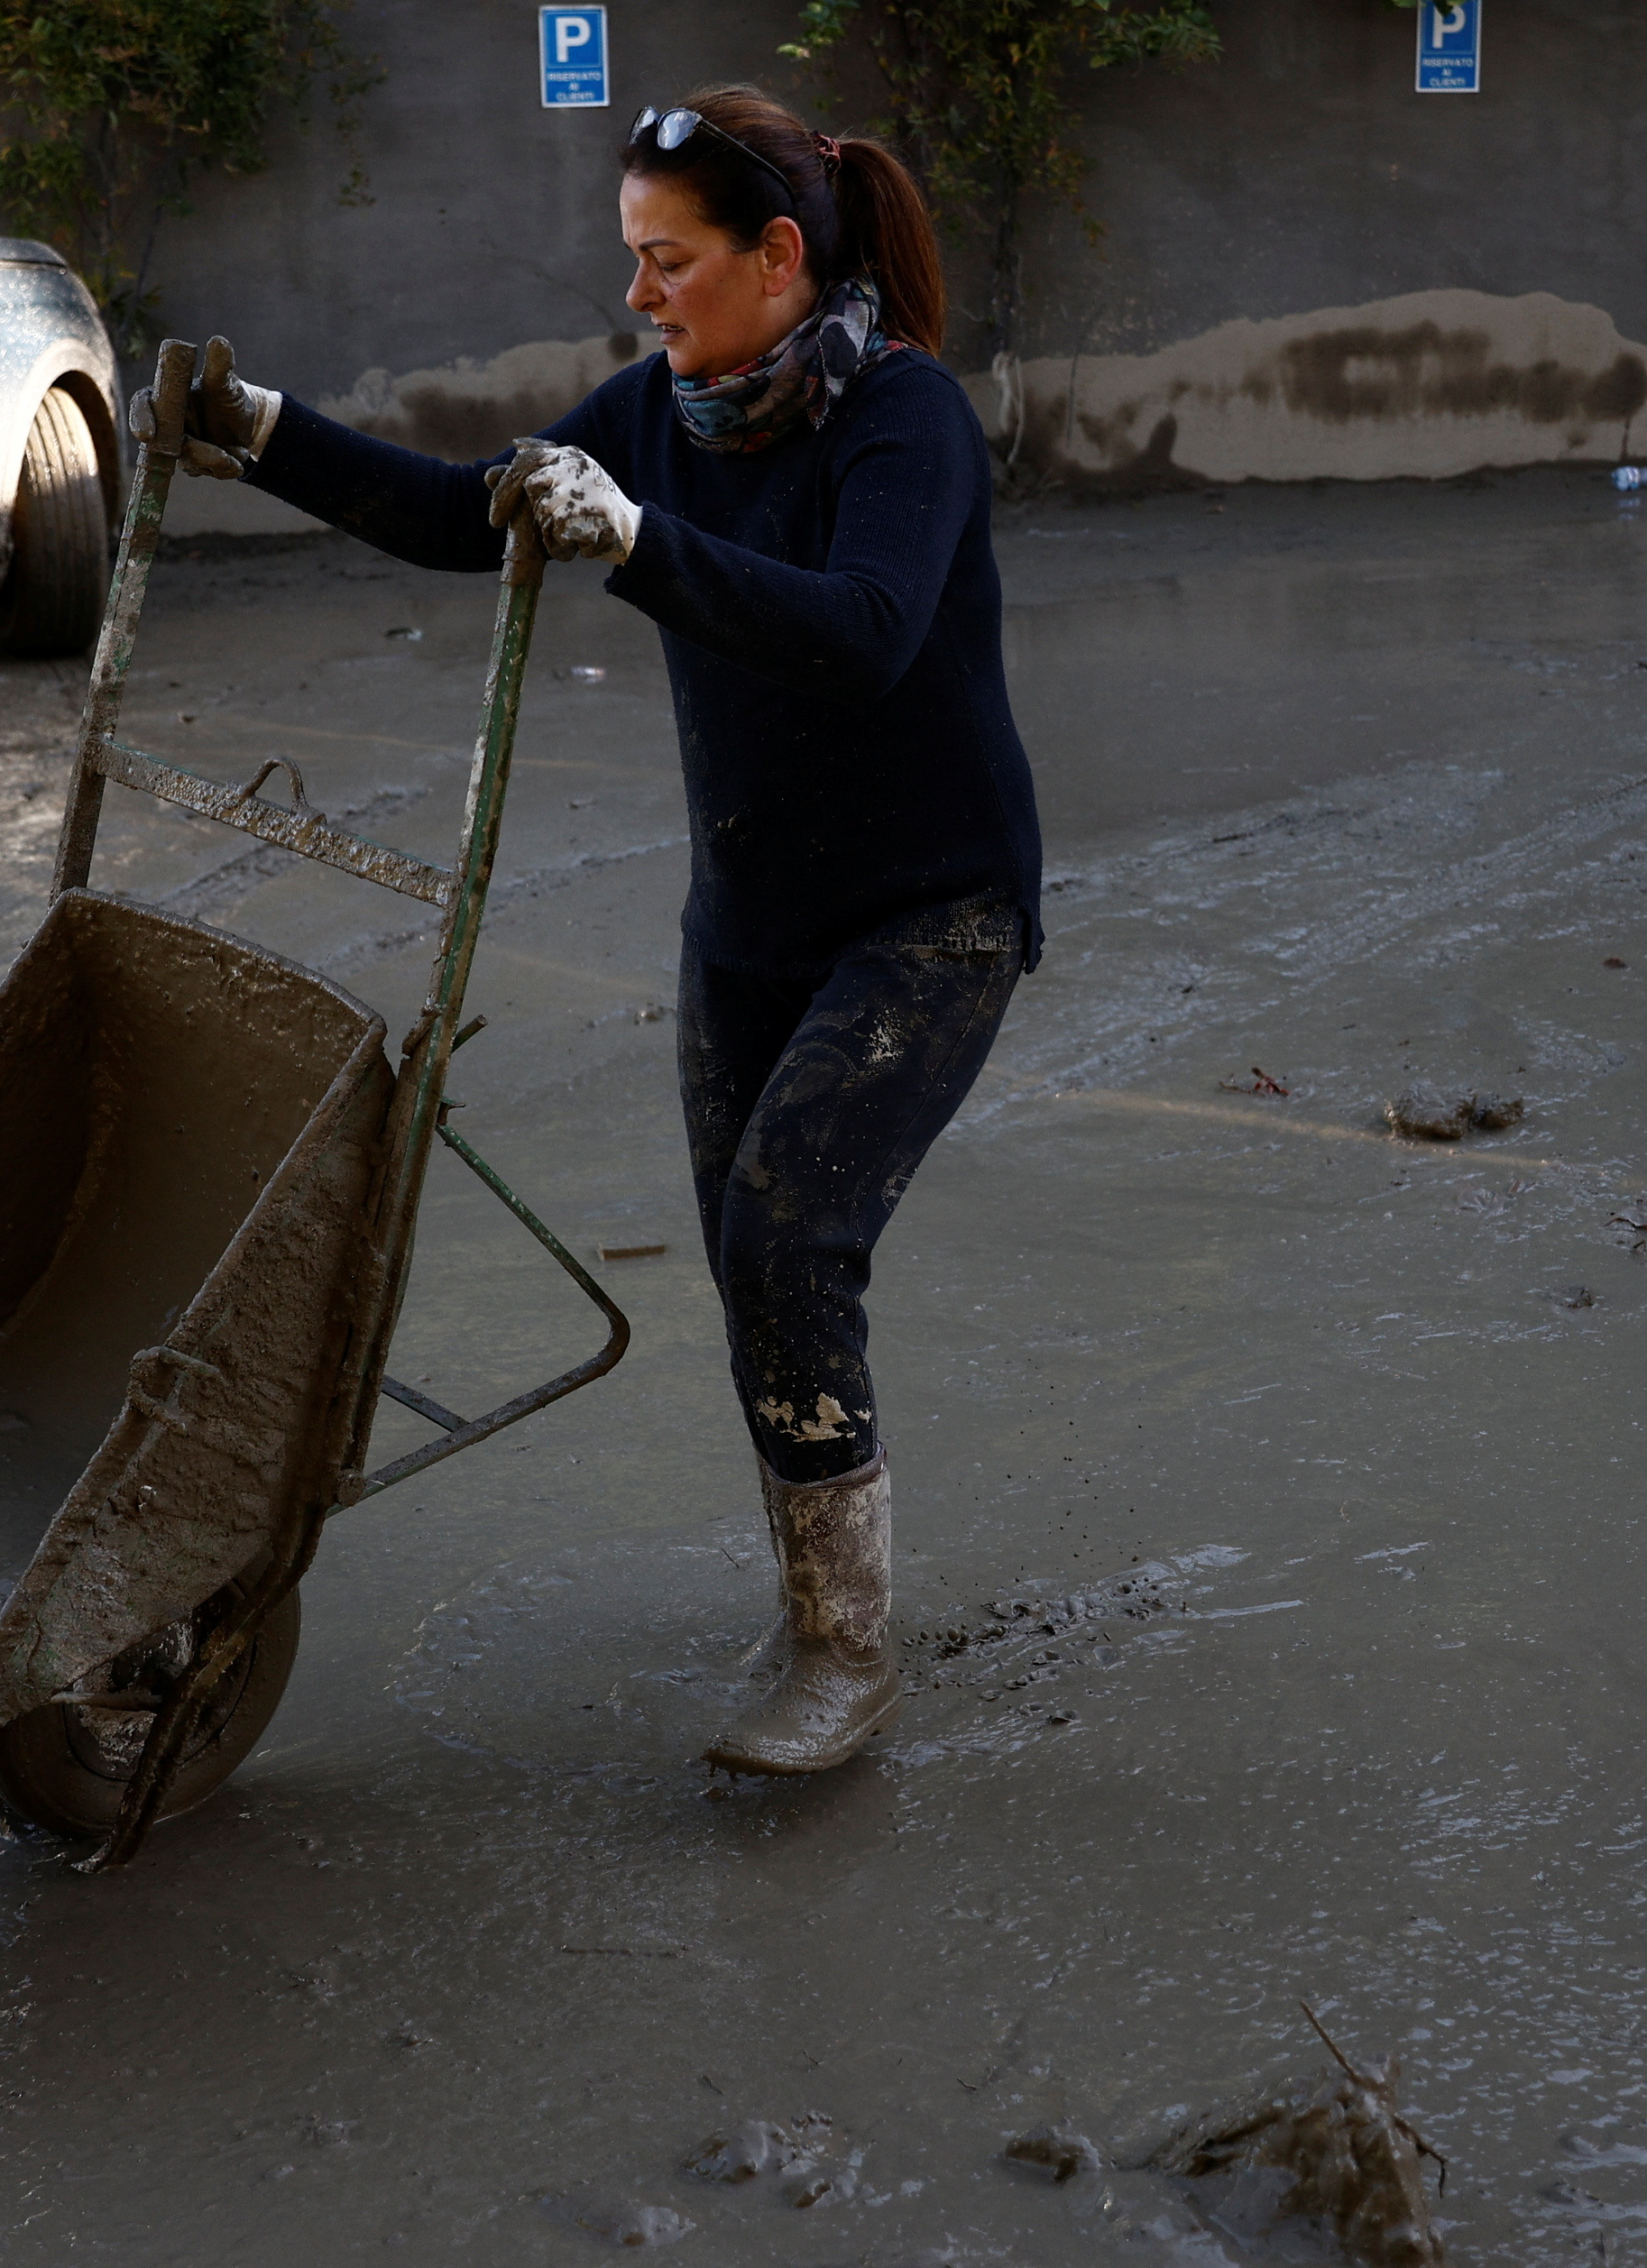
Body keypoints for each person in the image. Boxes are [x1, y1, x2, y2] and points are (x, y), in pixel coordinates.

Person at [137, 86, 1038, 1778]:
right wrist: (257, 427)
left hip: (933, 918)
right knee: (748, 1266)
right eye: (632, 257)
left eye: (667, 260)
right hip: (752, 922)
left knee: (786, 1242)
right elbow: (456, 512)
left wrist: (636, 539)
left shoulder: (899, 417)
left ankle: (843, 1655)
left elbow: (863, 632)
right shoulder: (660, 411)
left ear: (778, 256)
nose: (638, 294)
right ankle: (814, 1596)